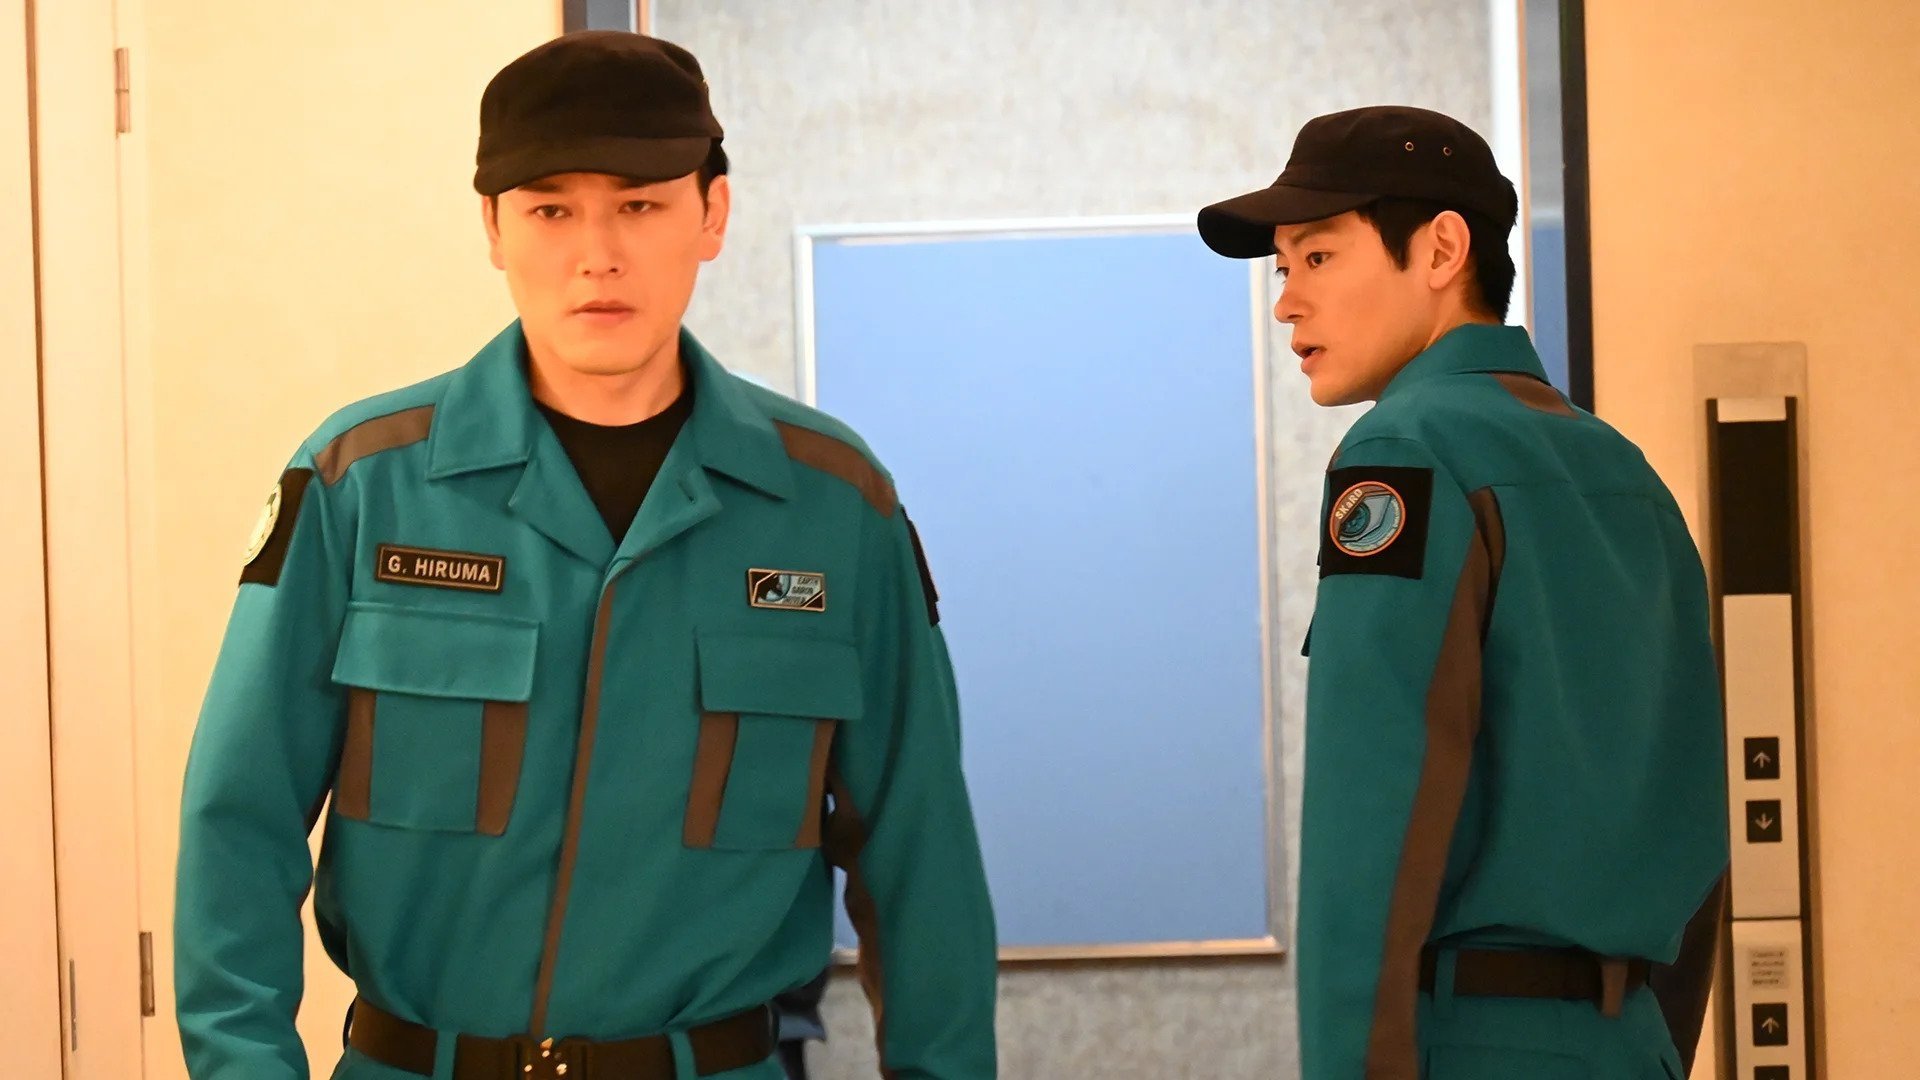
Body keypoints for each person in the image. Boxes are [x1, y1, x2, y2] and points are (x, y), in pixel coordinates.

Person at [174, 30, 997, 1080]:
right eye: (551, 210)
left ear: (713, 214)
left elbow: (919, 856)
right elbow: (239, 823)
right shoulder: (360, 486)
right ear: (492, 226)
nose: (597, 254)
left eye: (640, 206)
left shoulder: (834, 509)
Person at [1196, 106, 1728, 1078]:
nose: (1287, 304)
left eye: (1318, 257)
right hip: (1634, 1046)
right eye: (1282, 269)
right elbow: (1696, 794)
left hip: (1473, 1040)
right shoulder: (1624, 471)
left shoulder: (1407, 449)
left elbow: (1375, 816)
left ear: (1442, 249)